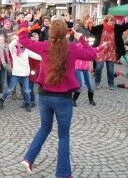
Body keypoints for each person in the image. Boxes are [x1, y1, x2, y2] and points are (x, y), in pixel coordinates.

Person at [18, 18, 98, 177]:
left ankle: (28, 159)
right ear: (66, 33)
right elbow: (93, 54)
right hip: (63, 98)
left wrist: (24, 24)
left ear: (51, 33)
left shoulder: (44, 46)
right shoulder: (73, 48)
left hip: (45, 96)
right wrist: (81, 38)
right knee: (63, 135)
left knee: (44, 128)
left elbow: (22, 39)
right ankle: (63, 174)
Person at [0, 30, 42, 113]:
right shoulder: (14, 50)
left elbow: (37, 56)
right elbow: (11, 45)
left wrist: (45, 58)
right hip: (16, 73)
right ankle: (1, 100)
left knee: (27, 90)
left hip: (25, 73)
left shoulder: (26, 50)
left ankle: (28, 104)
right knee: (10, 89)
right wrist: (18, 37)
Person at [90, 15, 128, 90]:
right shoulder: (100, 27)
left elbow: (124, 27)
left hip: (111, 51)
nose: (112, 22)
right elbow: (92, 30)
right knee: (99, 67)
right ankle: (97, 82)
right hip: (101, 51)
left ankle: (111, 84)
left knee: (110, 69)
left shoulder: (116, 27)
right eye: (110, 21)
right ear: (106, 21)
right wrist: (89, 23)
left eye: (113, 21)